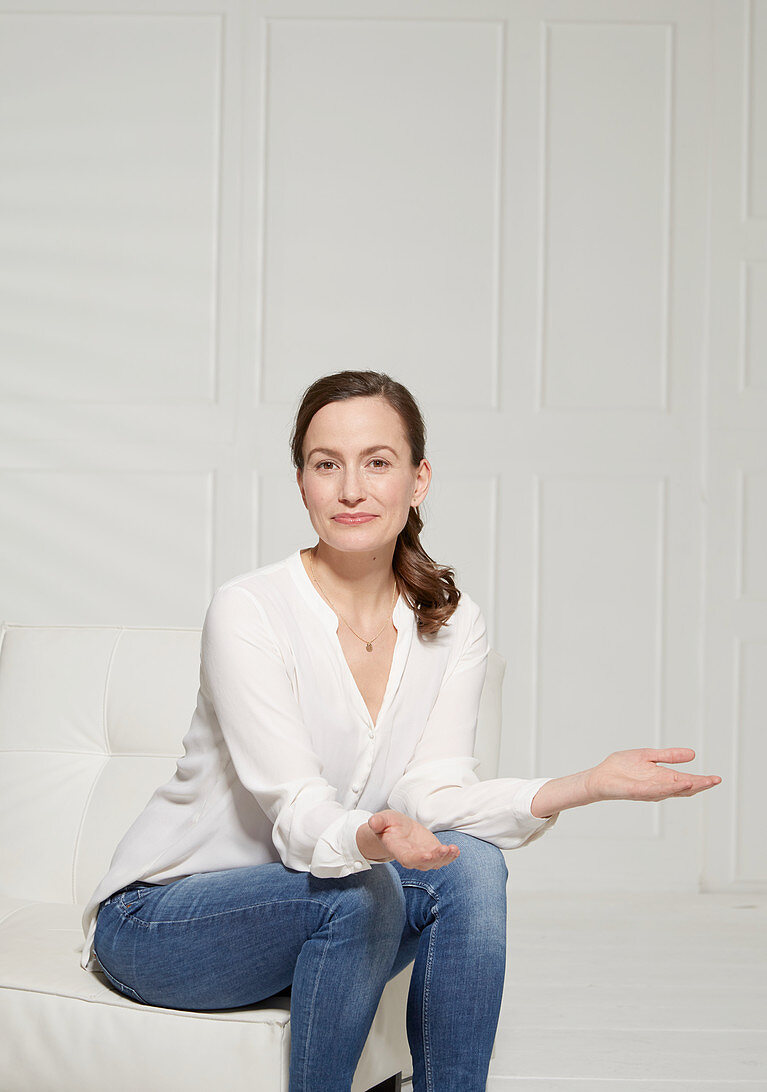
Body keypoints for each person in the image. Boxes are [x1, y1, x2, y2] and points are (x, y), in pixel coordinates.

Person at [80, 370, 721, 1092]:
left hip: (327, 906)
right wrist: (368, 840)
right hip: (162, 923)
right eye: (328, 465)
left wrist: (584, 785)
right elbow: (296, 810)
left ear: (417, 480)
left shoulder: (449, 621)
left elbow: (436, 792)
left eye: (376, 462)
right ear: (302, 483)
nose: (351, 489)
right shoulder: (250, 611)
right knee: (361, 890)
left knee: (472, 866)